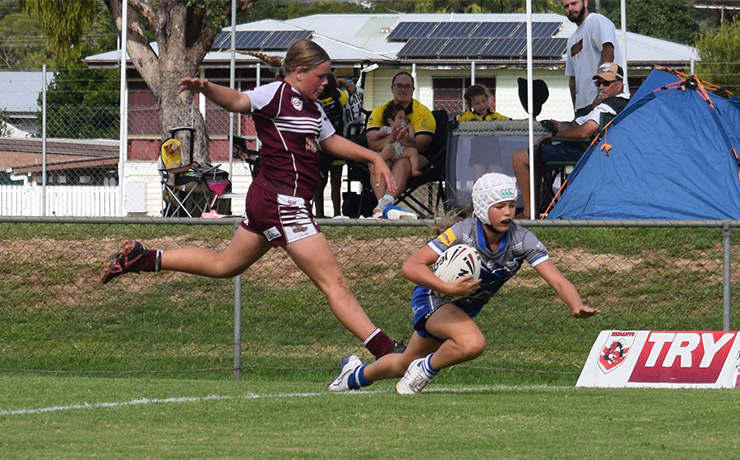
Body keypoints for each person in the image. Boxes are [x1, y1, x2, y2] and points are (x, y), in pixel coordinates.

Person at [100, 39, 403, 360]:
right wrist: (207, 88)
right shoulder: (276, 94)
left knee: (225, 265)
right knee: (334, 283)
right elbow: (238, 100)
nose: (326, 82)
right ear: (299, 72)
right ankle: (386, 351)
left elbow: (331, 141)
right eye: (321, 75)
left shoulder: (313, 107)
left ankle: (142, 258)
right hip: (283, 203)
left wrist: (374, 158)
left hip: (270, 201)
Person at [327, 173, 600, 395]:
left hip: (460, 307)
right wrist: (448, 288)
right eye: (499, 207)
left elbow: (557, 279)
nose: (508, 213)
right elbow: (410, 267)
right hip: (434, 298)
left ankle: (352, 375)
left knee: (403, 363)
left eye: (511, 205)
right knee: (472, 343)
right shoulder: (462, 232)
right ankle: (424, 371)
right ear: (482, 207)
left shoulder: (522, 240)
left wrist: (576, 304)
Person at [511, 62, 630, 218]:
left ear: (619, 84)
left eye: (606, 83)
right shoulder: (620, 103)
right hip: (596, 152)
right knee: (536, 156)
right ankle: (540, 207)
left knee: (520, 157)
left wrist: (556, 134)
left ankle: (529, 212)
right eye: (598, 83)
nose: (601, 87)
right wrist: (561, 126)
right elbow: (579, 125)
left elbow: (584, 132)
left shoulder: (610, 105)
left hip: (587, 153)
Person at [365, 71, 436, 219]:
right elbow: (371, 142)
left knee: (403, 162)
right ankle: (383, 207)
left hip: (416, 157)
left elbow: (422, 146)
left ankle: (384, 205)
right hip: (390, 152)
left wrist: (402, 139)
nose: (403, 89)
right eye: (399, 86)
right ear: (392, 88)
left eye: (407, 86)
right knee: (377, 160)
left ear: (413, 90)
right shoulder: (380, 111)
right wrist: (392, 139)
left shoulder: (423, 112)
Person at [563, 0, 623, 117]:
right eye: (566, 6)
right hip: (583, 106)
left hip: (603, 102)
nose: (570, 8)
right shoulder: (571, 40)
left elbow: (608, 51)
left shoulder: (596, 21)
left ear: (585, 3)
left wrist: (601, 95)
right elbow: (572, 79)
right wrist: (576, 109)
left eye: (574, 3)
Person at [314, 73, 356, 218]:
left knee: (320, 184)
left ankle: (319, 213)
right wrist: (342, 81)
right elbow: (352, 88)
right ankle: (337, 214)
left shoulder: (315, 102)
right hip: (338, 148)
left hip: (320, 148)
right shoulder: (339, 99)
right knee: (336, 184)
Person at [456, 84, 511, 180]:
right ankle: (478, 190)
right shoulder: (468, 116)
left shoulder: (495, 116)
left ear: (488, 100)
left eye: (483, 101)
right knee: (478, 177)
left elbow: (510, 122)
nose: (481, 105)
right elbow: (454, 121)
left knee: (496, 176)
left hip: (493, 149)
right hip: (477, 150)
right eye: (476, 103)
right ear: (470, 105)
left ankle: (496, 189)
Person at [378, 103, 421, 178]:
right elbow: (378, 135)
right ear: (390, 121)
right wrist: (379, 133)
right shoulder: (387, 128)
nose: (403, 121)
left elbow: (411, 139)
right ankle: (376, 162)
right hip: (392, 150)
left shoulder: (404, 130)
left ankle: (414, 169)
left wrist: (410, 129)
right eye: (400, 118)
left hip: (402, 151)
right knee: (388, 148)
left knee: (414, 151)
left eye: (404, 118)